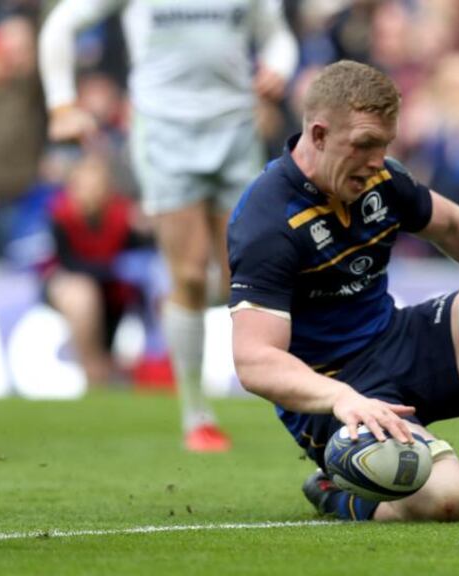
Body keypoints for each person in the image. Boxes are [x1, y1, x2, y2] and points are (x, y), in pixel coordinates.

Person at [227, 60, 459, 521]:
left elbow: (454, 225)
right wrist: (343, 399)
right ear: (318, 135)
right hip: (335, 392)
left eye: (384, 144)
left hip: (399, 338)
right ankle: (333, 489)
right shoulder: (266, 221)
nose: (376, 161)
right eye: (364, 144)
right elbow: (254, 360)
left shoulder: (380, 178)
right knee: (446, 500)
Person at [38, 0, 298, 451]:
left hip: (237, 128)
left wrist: (277, 66)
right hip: (164, 132)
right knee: (191, 274)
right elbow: (61, 23)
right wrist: (61, 104)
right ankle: (196, 415)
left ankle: (301, 404)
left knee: (248, 275)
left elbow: (276, 34)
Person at [43, 152, 150, 384]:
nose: (91, 192)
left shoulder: (123, 215)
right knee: (82, 294)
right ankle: (92, 369)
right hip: (77, 284)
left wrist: (145, 228)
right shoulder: (61, 215)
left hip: (114, 288)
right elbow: (68, 263)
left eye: (97, 185)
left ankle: (153, 365)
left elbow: (143, 250)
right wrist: (114, 269)